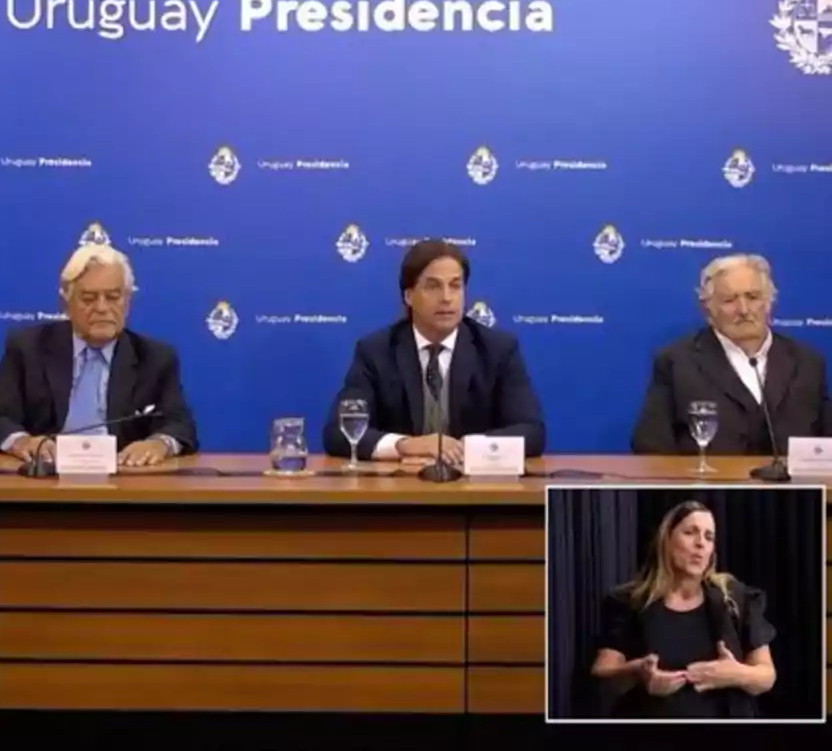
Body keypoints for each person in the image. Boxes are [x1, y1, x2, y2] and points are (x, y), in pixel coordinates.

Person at [321, 239, 545, 464]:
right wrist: (405, 445)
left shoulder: (497, 350)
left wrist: (467, 448)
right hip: (399, 490)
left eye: (455, 286)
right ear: (409, 296)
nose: (447, 298)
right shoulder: (376, 351)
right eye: (433, 286)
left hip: (474, 490)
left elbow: (531, 431)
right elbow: (338, 432)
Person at [0, 243, 198, 467]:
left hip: (124, 482)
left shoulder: (155, 357)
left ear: (127, 302)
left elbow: (180, 425)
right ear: (66, 303)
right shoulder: (28, 348)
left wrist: (158, 444)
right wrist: (22, 442)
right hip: (46, 479)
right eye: (89, 298)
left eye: (113, 297)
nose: (102, 308)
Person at [590, 500, 776, 718]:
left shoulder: (735, 597)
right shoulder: (629, 601)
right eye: (690, 532)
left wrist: (735, 674)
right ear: (666, 540)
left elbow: (766, 676)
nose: (701, 544)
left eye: (709, 537)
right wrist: (638, 672)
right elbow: (602, 674)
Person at [631, 253, 832, 454]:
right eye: (729, 300)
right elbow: (650, 447)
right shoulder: (677, 362)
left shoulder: (807, 363)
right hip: (708, 484)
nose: (743, 310)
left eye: (753, 297)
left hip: (793, 485)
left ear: (769, 302)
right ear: (708, 310)